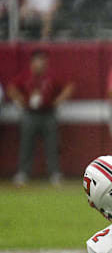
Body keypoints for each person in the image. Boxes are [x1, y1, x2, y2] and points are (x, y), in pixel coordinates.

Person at [7, 49, 74, 187]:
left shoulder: (51, 76)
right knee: (26, 144)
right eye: (37, 61)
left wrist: (58, 100)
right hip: (30, 114)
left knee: (52, 145)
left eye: (43, 61)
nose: (40, 64)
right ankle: (23, 173)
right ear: (32, 63)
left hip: (48, 113)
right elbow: (11, 88)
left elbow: (69, 86)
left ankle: (54, 173)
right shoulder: (25, 76)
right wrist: (21, 100)